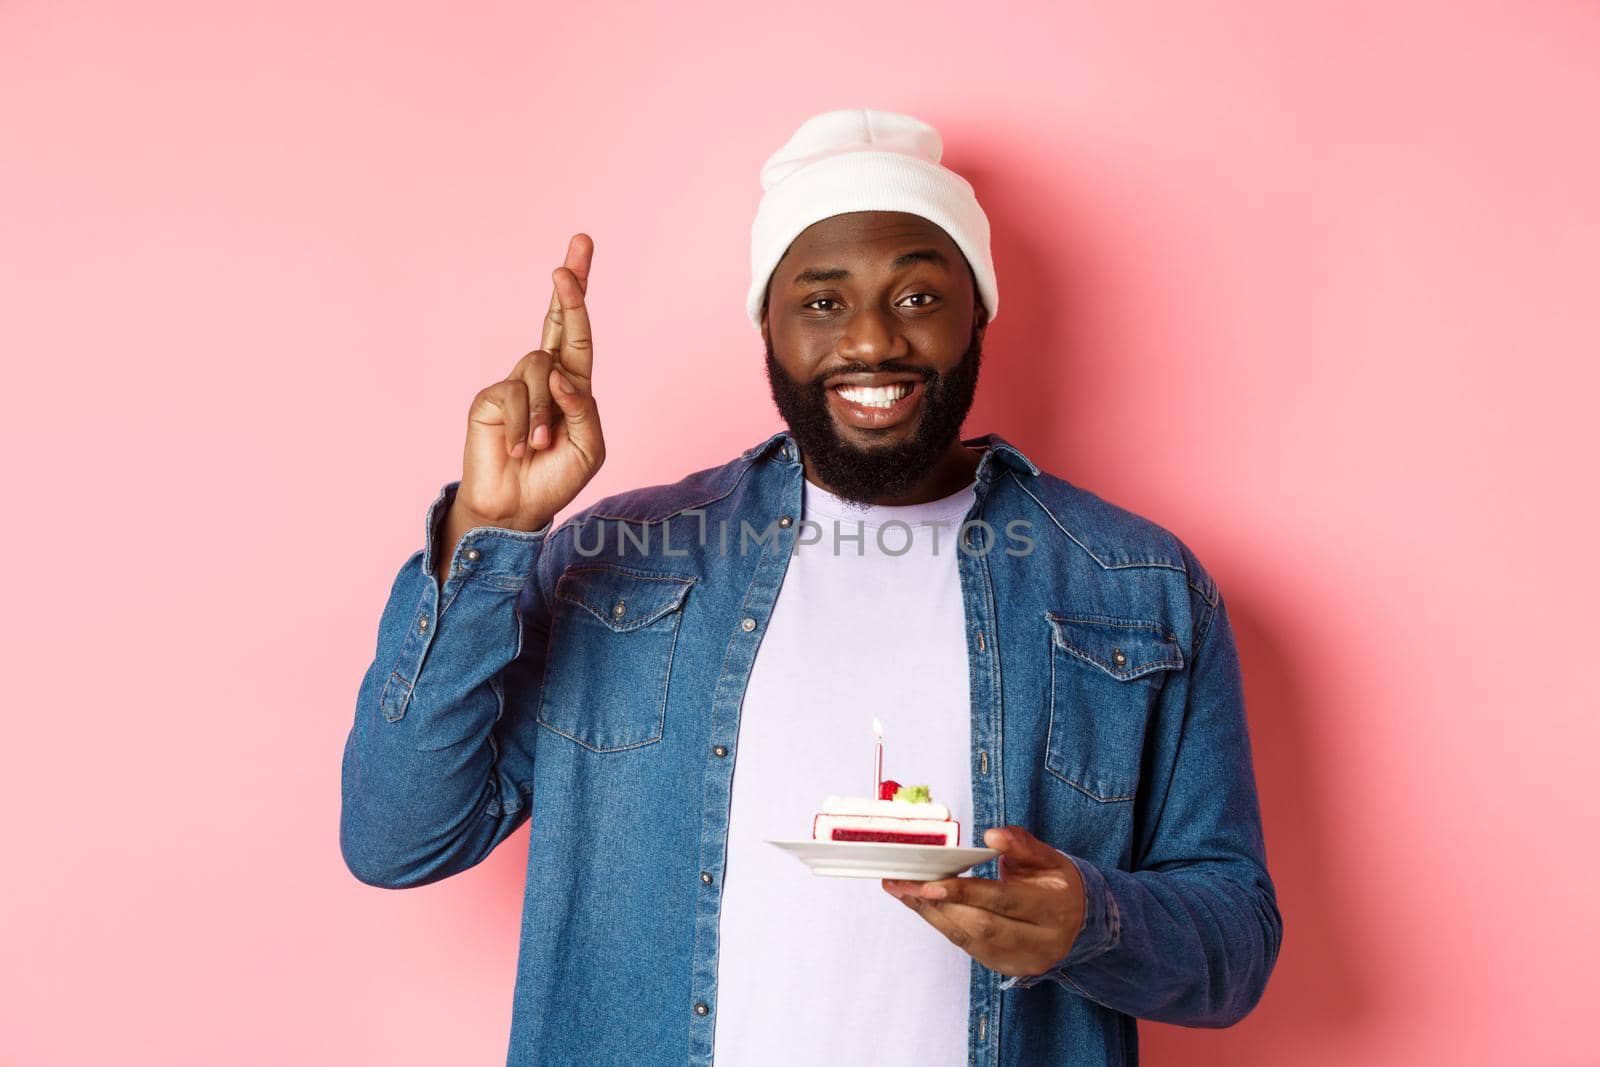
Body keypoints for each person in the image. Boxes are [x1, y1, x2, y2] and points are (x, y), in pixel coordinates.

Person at [340, 108, 1282, 1067]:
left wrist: (1093, 918)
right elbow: (399, 838)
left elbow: (1235, 947)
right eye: (824, 302)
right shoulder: (616, 563)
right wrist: (493, 534)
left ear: (979, 312)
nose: (872, 341)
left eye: (918, 295)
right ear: (768, 322)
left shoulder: (1136, 585)